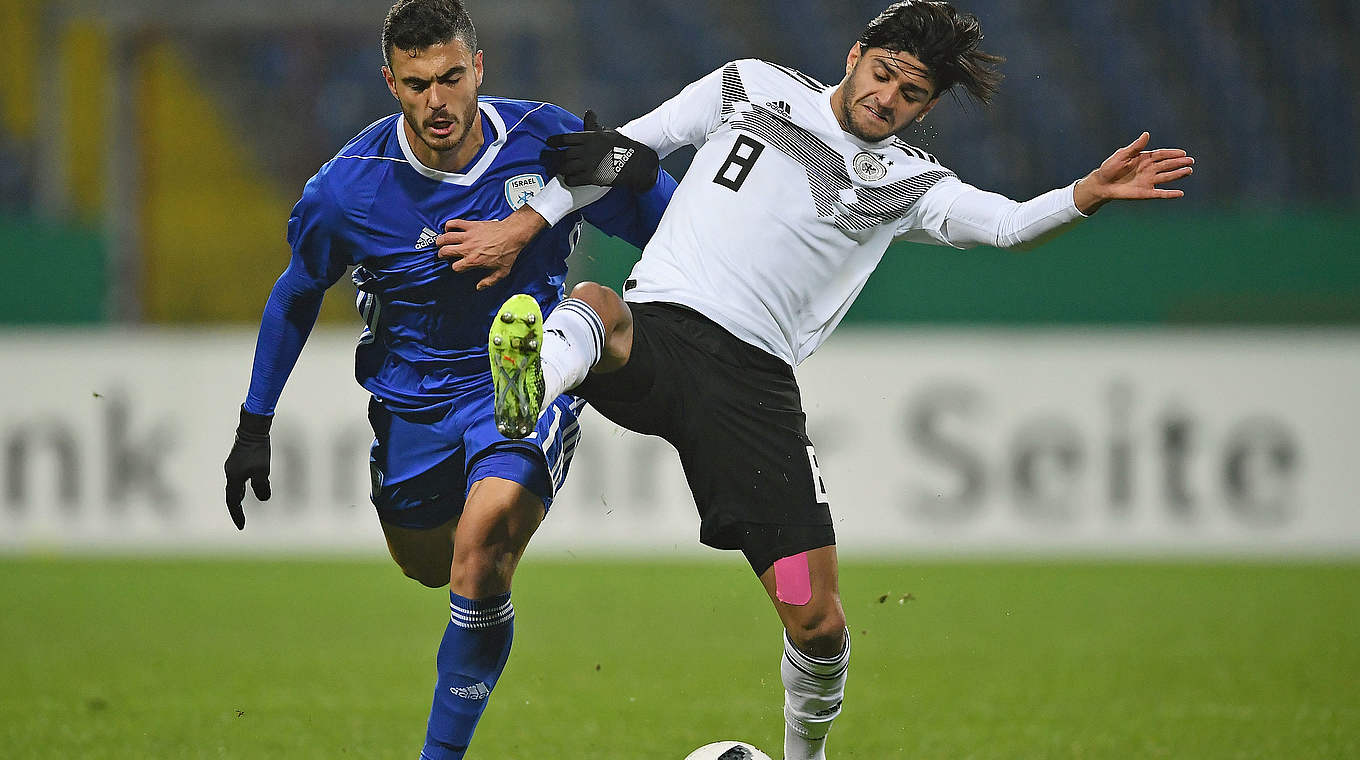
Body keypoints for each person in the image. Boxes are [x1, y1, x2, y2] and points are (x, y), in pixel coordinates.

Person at [472, 1, 1195, 758]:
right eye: (882, 74)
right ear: (856, 55)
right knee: (597, 307)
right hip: (659, 332)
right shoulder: (748, 88)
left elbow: (1009, 226)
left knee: (815, 621)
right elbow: (613, 154)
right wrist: (525, 225)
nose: (887, 99)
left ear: (928, 106)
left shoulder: (911, 183)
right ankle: (530, 389)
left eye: (911, 94)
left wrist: (1084, 194)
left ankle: (804, 755)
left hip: (751, 394)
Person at [219, 1, 675, 758]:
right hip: (412, 404)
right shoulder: (348, 189)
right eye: (418, 83)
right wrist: (253, 423)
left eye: (453, 77)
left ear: (479, 69)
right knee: (431, 567)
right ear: (391, 83)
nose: (439, 101)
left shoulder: (541, 138)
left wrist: (634, 168)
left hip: (518, 384)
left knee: (482, 541)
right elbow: (296, 293)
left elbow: (665, 227)